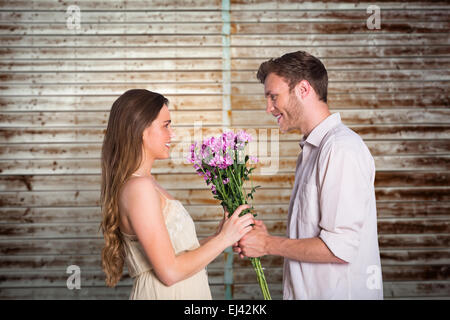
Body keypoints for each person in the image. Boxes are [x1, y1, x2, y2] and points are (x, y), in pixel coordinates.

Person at [234, 51, 383, 299]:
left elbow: (339, 248)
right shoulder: (312, 150)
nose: (268, 108)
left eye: (274, 97)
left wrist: (268, 244)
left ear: (303, 89)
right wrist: (265, 238)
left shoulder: (340, 149)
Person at [100, 89, 254, 299]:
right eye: (166, 125)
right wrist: (224, 239)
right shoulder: (139, 188)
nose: (172, 134)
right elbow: (169, 273)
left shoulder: (147, 183)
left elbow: (177, 255)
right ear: (140, 130)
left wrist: (220, 235)